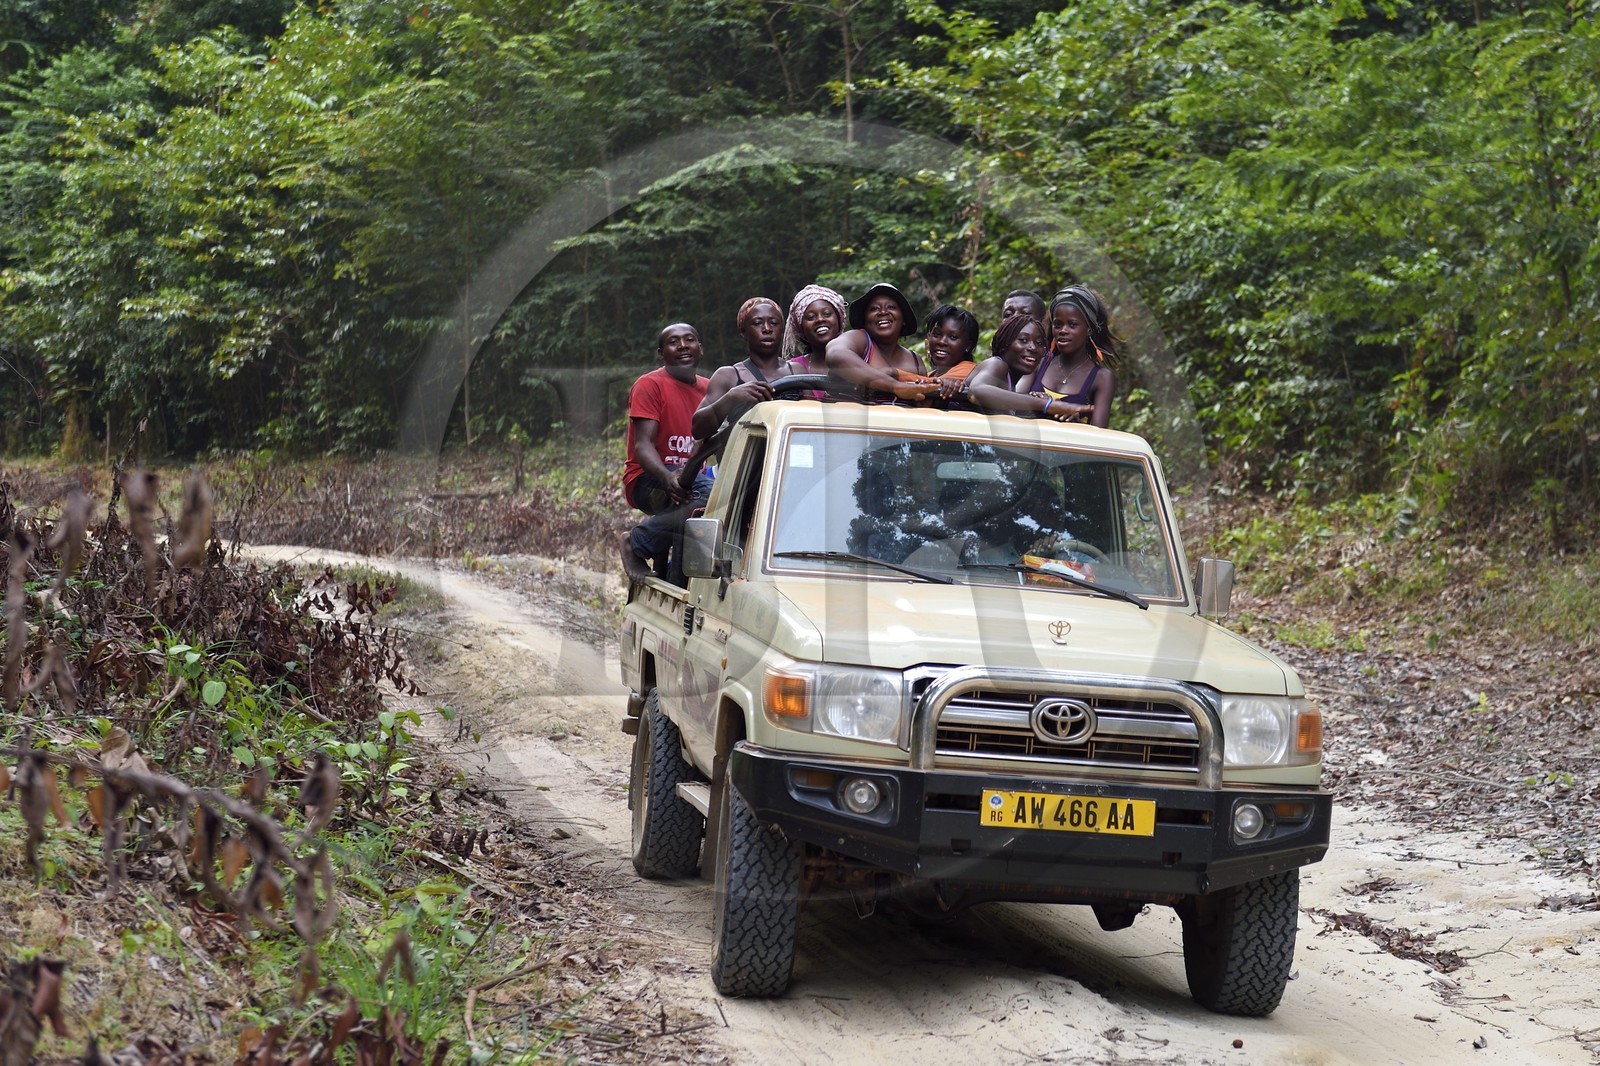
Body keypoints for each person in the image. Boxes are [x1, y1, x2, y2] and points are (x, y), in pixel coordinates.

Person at [620, 322, 713, 583]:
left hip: (691, 477)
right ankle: (634, 543)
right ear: (661, 353)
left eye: (689, 340)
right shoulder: (649, 385)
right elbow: (643, 446)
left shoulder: (710, 388)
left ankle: (672, 574)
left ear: (700, 349)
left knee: (731, 498)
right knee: (707, 494)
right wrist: (666, 477)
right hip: (648, 479)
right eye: (674, 342)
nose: (683, 346)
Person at [691, 297, 795, 439]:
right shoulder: (728, 376)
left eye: (774, 323)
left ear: (782, 330)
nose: (767, 329)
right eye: (758, 323)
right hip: (744, 459)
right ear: (743, 332)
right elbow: (697, 430)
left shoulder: (797, 370)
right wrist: (731, 397)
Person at [824, 283, 942, 402]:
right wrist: (894, 386)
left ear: (904, 320)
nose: (883, 312)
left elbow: (923, 405)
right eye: (874, 309)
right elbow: (835, 354)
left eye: (891, 307)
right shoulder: (859, 339)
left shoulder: (915, 360)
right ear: (865, 320)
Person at [964, 314, 1087, 421]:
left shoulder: (1009, 385)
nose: (1033, 348)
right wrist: (1046, 405)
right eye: (1023, 340)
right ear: (1003, 344)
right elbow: (976, 391)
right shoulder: (996, 364)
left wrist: (1058, 413)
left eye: (1039, 343)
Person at [1028, 285, 1118, 428]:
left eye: (1072, 324)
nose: (1063, 330)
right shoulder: (1038, 362)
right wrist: (1044, 405)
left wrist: (1072, 419)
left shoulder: (1102, 378)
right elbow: (1012, 408)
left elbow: (1099, 435)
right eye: (1058, 324)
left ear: (1089, 329)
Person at [782, 284, 848, 374]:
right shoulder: (790, 370)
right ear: (802, 330)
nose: (820, 319)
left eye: (827, 314)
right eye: (811, 317)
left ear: (839, 321)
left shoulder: (862, 362)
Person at [921, 304, 982, 398]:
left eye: (953, 337)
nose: (942, 342)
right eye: (937, 334)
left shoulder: (970, 370)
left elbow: (920, 387)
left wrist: (894, 374)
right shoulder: (930, 375)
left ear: (968, 346)